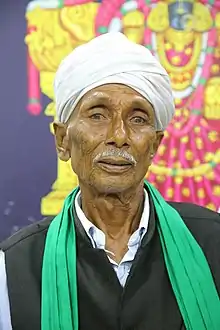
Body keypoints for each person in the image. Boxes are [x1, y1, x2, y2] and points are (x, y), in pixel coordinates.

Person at [0, 32, 220, 330]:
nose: (119, 136)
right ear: (63, 140)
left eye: (138, 119)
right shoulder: (13, 267)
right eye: (98, 115)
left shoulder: (212, 241)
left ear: (154, 146)